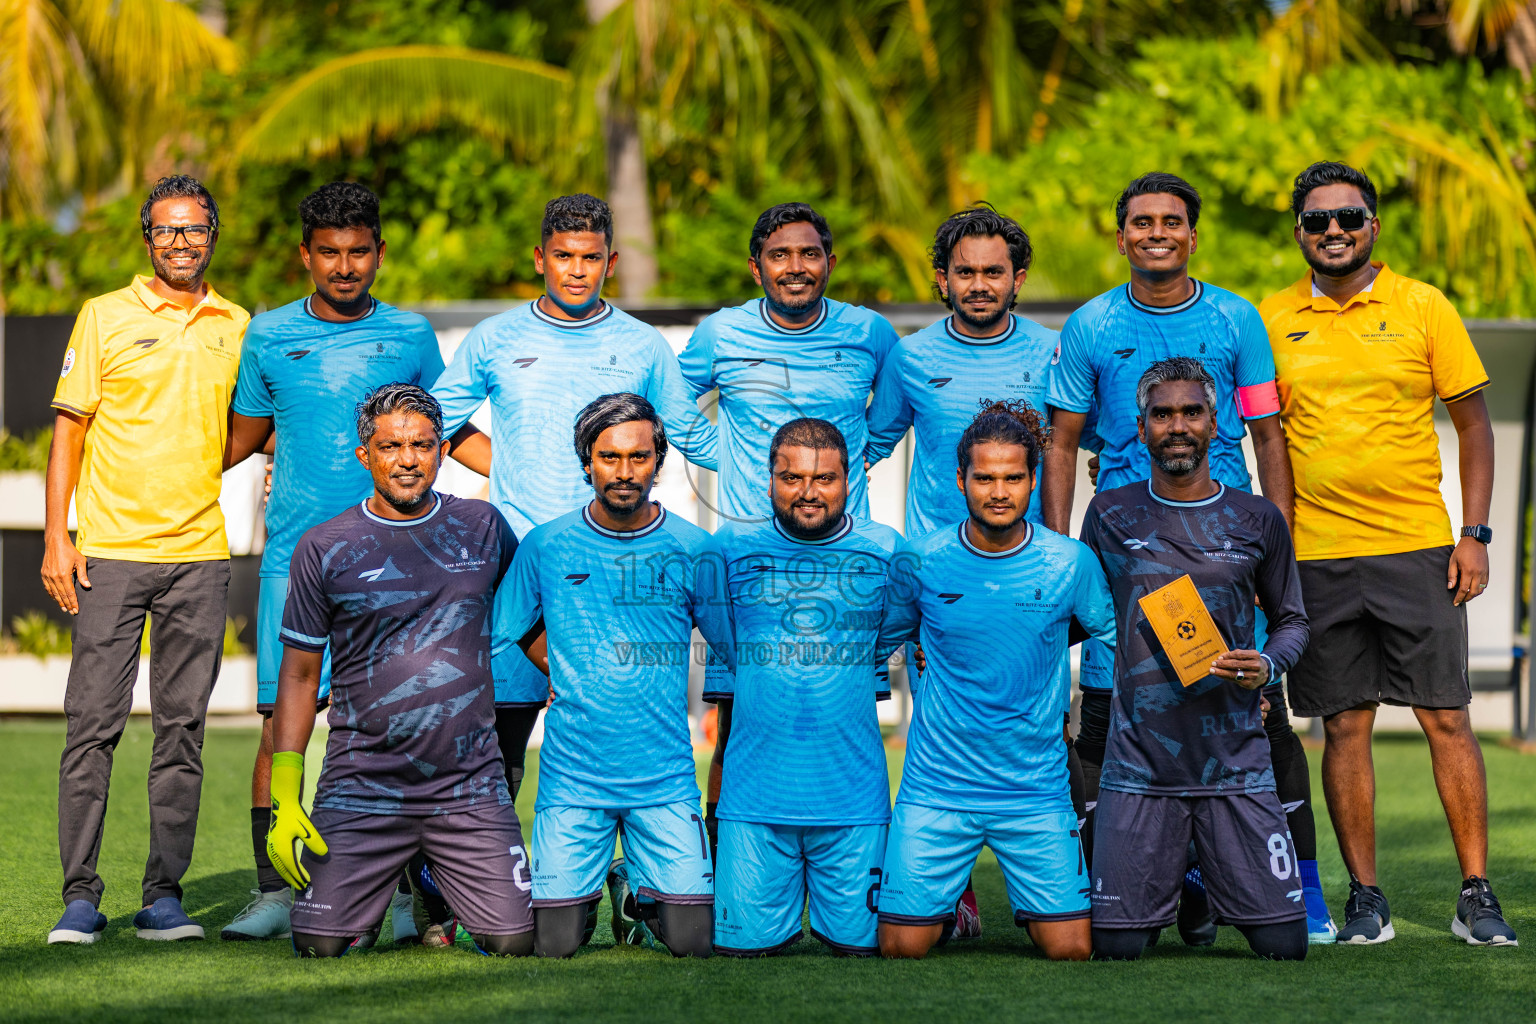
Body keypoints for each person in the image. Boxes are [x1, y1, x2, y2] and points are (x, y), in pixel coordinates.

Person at [1040, 171, 1332, 943]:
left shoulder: (1238, 318)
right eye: (1141, 221)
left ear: (1192, 234)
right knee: (1106, 727)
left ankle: (1302, 893)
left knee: (1263, 726)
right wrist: (1055, 556)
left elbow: (1269, 437)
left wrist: (1279, 550)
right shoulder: (1091, 326)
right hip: (1128, 551)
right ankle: (1138, 886)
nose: (1157, 232)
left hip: (1227, 555)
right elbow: (1062, 443)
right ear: (1121, 235)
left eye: (1172, 220)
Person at [1258, 161, 1516, 946]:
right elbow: (1262, 439)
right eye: (1317, 222)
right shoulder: (1268, 318)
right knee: (1344, 726)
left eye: (1349, 218)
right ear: (1299, 232)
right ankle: (1366, 897)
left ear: (1373, 225)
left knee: (1446, 719)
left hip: (1418, 550)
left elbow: (1474, 425)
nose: (1333, 231)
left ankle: (1476, 893)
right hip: (1317, 558)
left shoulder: (1423, 306)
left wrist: (1474, 534)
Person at [432, 193, 718, 800]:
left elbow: (690, 435)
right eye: (563, 256)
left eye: (590, 257)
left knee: (625, 738)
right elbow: (434, 422)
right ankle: (469, 889)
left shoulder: (644, 346)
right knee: (498, 749)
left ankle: (637, 879)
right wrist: (502, 461)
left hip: (616, 570)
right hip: (517, 566)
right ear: (541, 258)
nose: (577, 269)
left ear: (610, 262)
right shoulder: (494, 337)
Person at [219, 181, 446, 943]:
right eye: (329, 253)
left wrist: (526, 472)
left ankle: (407, 897)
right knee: (281, 724)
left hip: (400, 563)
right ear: (305, 255)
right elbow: (238, 442)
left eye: (358, 252)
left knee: (407, 725)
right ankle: (274, 893)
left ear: (379, 253)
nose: (345, 267)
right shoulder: (267, 335)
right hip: (294, 564)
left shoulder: (413, 334)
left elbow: (443, 434)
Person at [44, 176, 248, 946]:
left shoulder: (238, 324)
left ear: (213, 236)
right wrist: (56, 536)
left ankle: (164, 897)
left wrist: (202, 470)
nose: (182, 243)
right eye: (167, 231)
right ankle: (79, 898)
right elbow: (69, 430)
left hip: (199, 558)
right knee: (91, 727)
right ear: (147, 239)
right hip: (110, 557)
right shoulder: (103, 315)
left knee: (182, 731)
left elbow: (246, 426)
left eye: (194, 230)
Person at [266, 384, 532, 958]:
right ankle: (375, 890)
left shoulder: (484, 527)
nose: (408, 460)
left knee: (513, 941)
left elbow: (527, 621)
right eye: (391, 446)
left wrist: (570, 678)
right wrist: (286, 791)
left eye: (422, 445)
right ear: (365, 454)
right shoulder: (324, 546)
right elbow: (298, 676)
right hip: (363, 783)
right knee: (319, 946)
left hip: (468, 786)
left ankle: (436, 878)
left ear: (442, 451)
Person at [864, 203, 1071, 938]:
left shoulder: (1056, 350)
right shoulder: (911, 357)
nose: (979, 284)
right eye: (965, 272)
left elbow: (1087, 446)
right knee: (938, 736)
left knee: (1047, 727)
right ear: (942, 279)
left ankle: (1055, 882)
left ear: (1018, 279)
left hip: (1037, 580)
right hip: (942, 588)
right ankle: (949, 894)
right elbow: (869, 448)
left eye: (993, 272)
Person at [1080, 357, 1309, 962]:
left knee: (1284, 946)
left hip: (1234, 761)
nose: (1176, 425)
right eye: (1162, 414)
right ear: (1140, 425)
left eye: (1191, 412)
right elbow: (1076, 615)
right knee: (1115, 949)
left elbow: (1292, 621)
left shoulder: (1258, 517)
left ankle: (1202, 875)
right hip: (1139, 766)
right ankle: (1178, 869)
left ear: (1215, 422)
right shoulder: (1109, 514)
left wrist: (1267, 664)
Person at [491, 393, 730, 958]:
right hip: (573, 781)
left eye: (638, 457)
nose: (624, 472)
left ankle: (632, 885)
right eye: (609, 457)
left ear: (658, 461)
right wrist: (561, 666)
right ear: (587, 462)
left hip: (665, 782)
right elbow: (513, 624)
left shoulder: (696, 549)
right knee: (553, 947)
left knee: (692, 945)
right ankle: (599, 884)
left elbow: (729, 642)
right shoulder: (546, 544)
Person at [875, 402, 1110, 961]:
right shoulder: (921, 560)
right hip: (937, 788)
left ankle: (1005, 895)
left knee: (1071, 949)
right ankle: (945, 898)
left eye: (1012, 477)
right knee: (902, 947)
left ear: (1033, 480)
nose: (998, 491)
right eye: (984, 477)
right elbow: (883, 640)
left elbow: (1119, 640)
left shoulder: (1070, 563)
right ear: (961, 480)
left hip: (1034, 790)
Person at [707, 419, 902, 957]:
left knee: (867, 950)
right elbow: (724, 639)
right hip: (755, 801)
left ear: (849, 480)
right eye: (791, 478)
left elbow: (892, 633)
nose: (808, 492)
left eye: (825, 478)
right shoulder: (727, 548)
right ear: (768, 481)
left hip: (853, 801)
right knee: (740, 953)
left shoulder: (886, 549)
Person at [678, 202, 898, 522]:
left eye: (809, 254)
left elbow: (900, 398)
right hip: (749, 540)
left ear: (830, 264)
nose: (796, 267)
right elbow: (671, 393)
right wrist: (722, 453)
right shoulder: (720, 333)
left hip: (845, 539)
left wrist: (867, 449)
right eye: (779, 255)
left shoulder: (870, 331)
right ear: (756, 269)